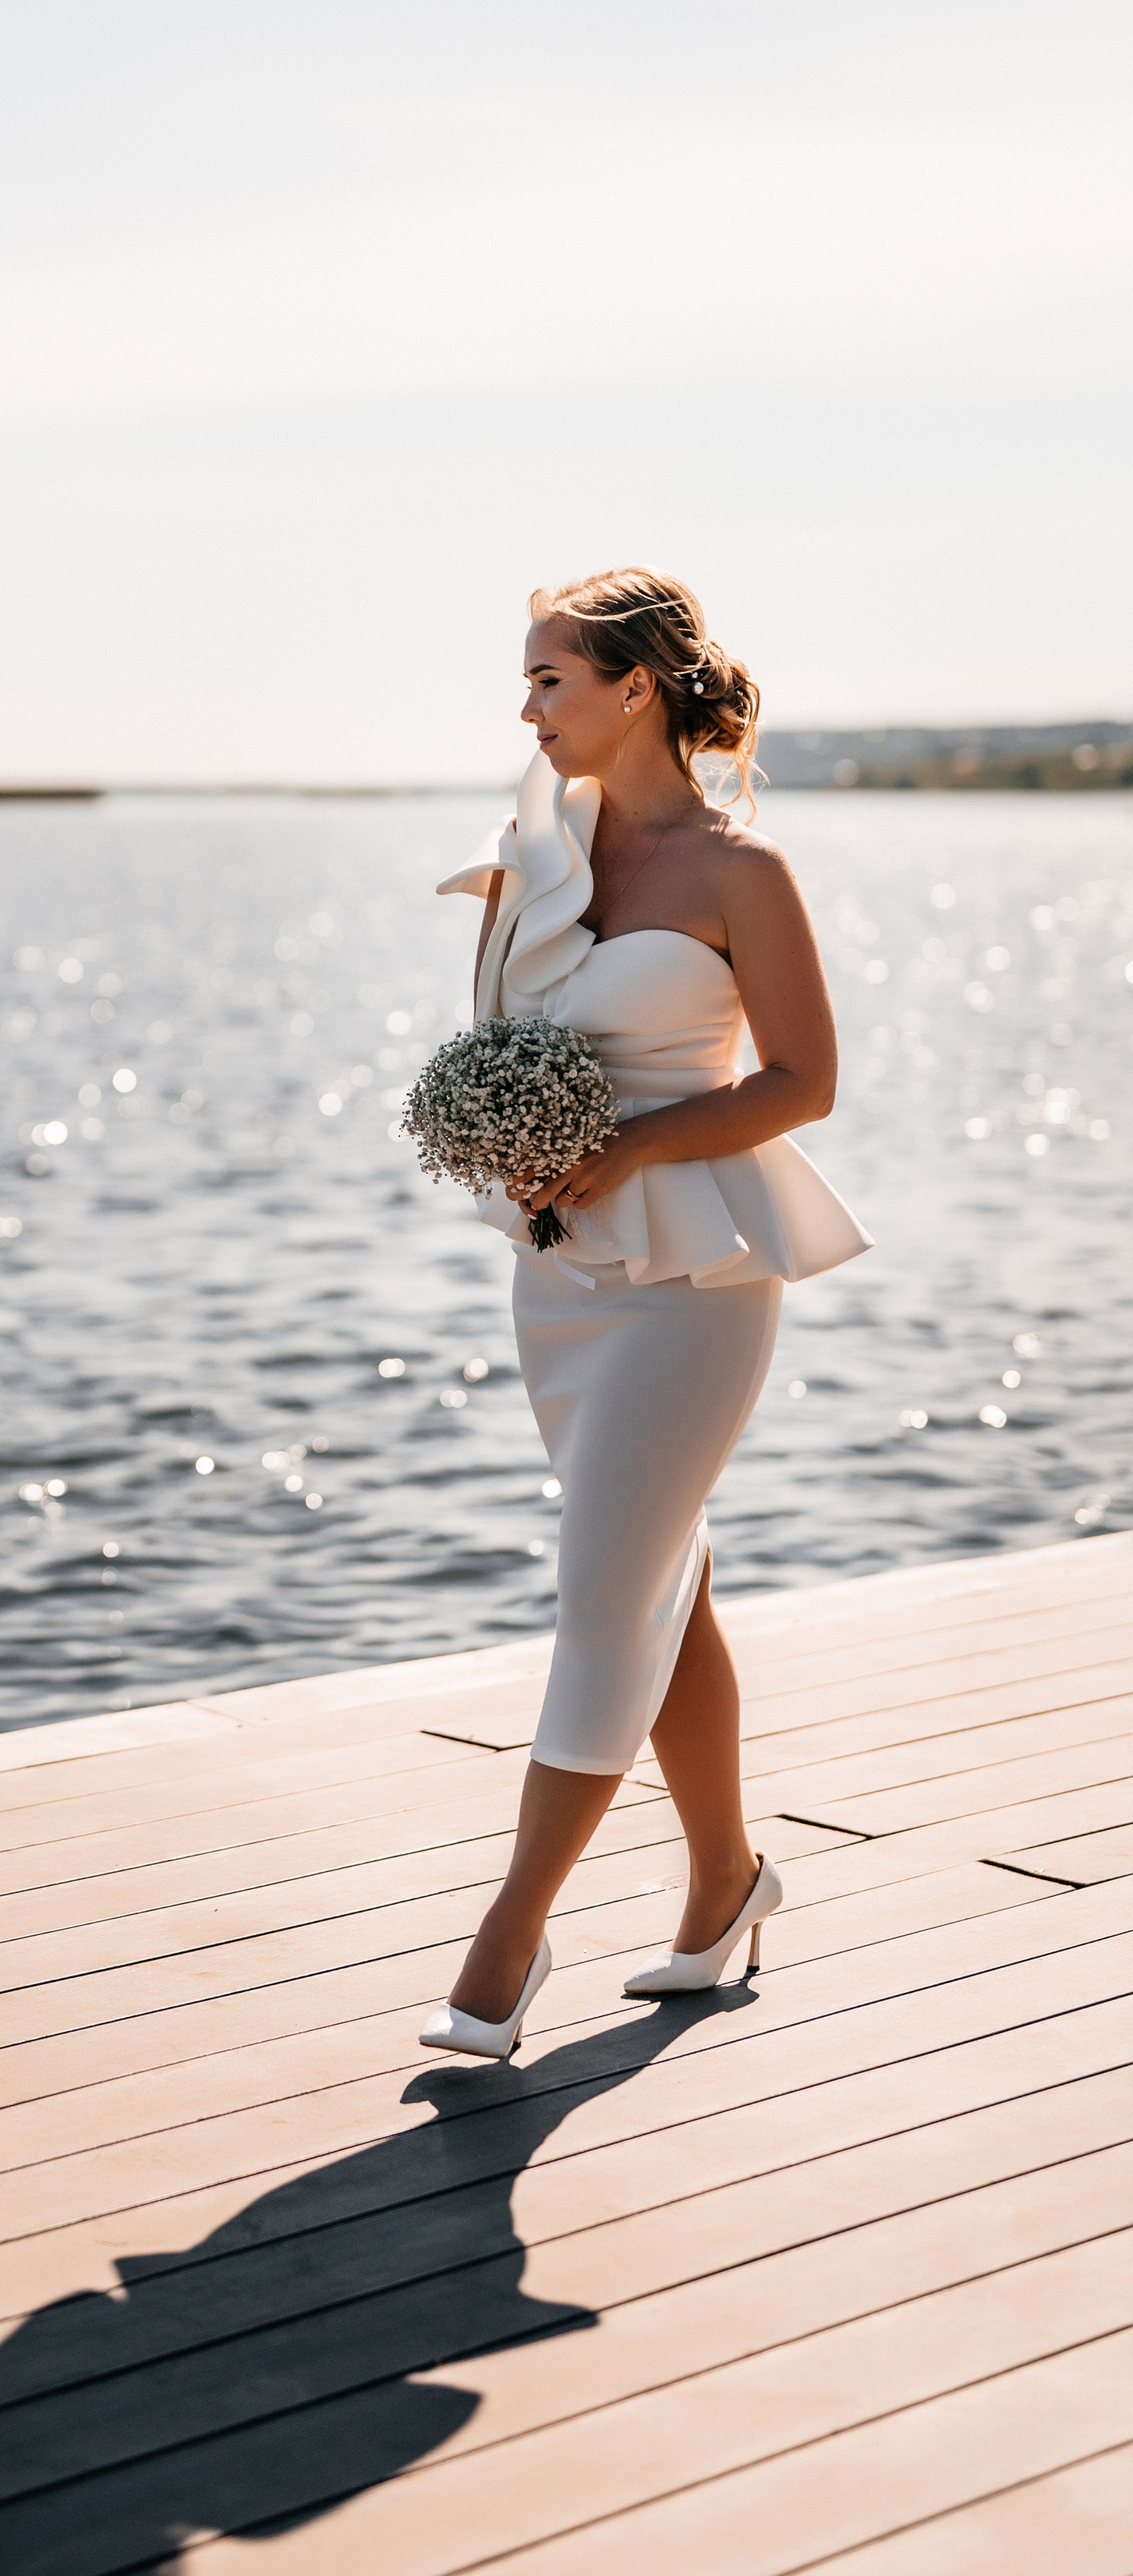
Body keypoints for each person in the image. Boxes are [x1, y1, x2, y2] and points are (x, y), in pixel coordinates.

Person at [420, 566, 870, 2061]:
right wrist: (506, 1137)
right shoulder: (524, 857)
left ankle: (508, 1938)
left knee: (606, 1590)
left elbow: (801, 1083)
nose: (529, 706)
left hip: (696, 1275)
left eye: (553, 677)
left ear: (637, 691)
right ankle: (729, 1886)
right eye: (528, 680)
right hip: (559, 1273)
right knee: (661, 1580)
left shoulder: (745, 873)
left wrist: (625, 1147)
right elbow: (491, 1046)